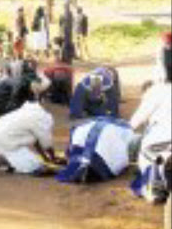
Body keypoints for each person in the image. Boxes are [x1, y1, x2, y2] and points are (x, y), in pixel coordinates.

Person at [0, 81, 65, 176]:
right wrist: (52, 159)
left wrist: (46, 158)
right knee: (36, 166)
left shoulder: (24, 110)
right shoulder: (42, 116)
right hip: (4, 142)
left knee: (10, 148)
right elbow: (46, 143)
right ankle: (2, 161)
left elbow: (37, 141)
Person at [129, 47, 171, 203]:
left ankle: (153, 185)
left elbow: (135, 122)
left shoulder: (157, 90)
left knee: (144, 154)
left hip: (158, 140)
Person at [56, 116, 137, 183]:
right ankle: (86, 168)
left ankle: (82, 168)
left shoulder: (84, 125)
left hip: (82, 155)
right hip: (100, 161)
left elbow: (70, 149)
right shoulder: (126, 131)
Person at [0, 59, 51, 123]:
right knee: (15, 108)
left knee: (19, 105)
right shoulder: (19, 83)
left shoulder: (22, 80)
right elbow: (14, 99)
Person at [59, 0, 75, 64]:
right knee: (67, 45)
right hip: (68, 32)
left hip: (66, 32)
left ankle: (66, 59)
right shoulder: (70, 13)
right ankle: (68, 59)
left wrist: (60, 32)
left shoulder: (63, 14)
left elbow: (60, 24)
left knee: (66, 45)